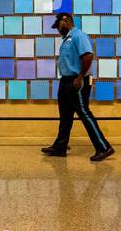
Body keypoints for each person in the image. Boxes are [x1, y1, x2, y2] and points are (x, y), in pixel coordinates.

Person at [41, 11, 115, 162]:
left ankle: (104, 147)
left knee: (84, 114)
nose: (57, 29)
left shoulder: (78, 35)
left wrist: (80, 77)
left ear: (66, 21)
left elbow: (88, 56)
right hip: (66, 81)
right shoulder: (66, 39)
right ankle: (60, 147)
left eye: (58, 26)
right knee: (65, 116)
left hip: (77, 81)